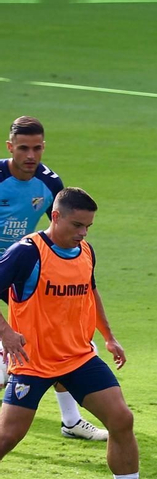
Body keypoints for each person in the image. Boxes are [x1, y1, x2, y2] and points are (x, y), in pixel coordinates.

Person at [0, 187, 157, 479]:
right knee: (7, 437)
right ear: (56, 216)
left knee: (121, 419)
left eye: (88, 226)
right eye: (77, 225)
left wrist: (108, 335)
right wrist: (5, 332)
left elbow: (90, 291)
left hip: (78, 357)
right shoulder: (27, 253)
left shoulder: (85, 250)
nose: (83, 233)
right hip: (34, 362)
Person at [1, 116, 108, 441]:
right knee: (19, 354)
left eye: (37, 148)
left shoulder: (49, 183)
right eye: (23, 148)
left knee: (60, 344)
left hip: (25, 270)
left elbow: (58, 228)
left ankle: (71, 420)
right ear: (10, 148)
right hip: (8, 268)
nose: (31, 156)